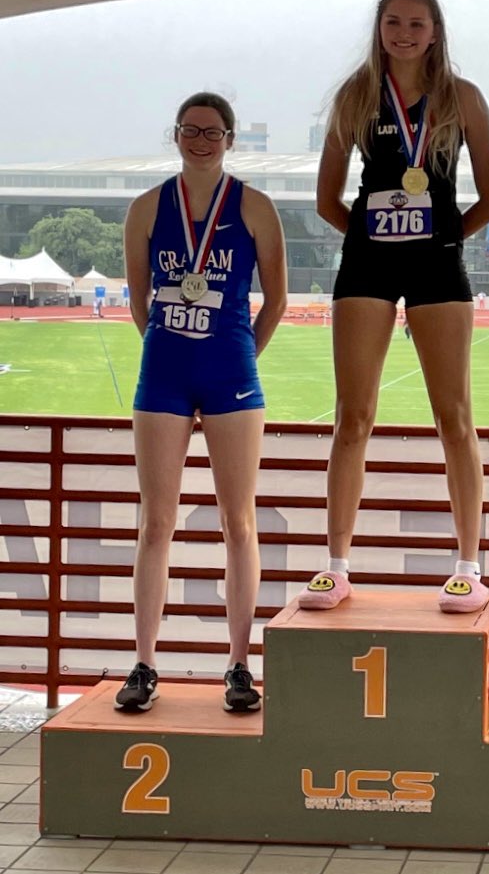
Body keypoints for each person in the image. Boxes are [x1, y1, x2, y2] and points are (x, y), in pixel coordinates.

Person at [299, 0, 489, 614]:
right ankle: (336, 566)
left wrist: (441, 241)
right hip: (367, 266)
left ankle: (467, 566)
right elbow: (327, 199)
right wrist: (373, 240)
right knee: (352, 415)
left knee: (455, 417)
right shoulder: (355, 95)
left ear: (435, 31)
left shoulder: (462, 98)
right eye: (393, 21)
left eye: (417, 23)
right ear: (379, 28)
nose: (405, 33)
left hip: (439, 269)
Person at [115, 92, 287, 713]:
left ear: (231, 139)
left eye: (213, 132)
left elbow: (278, 302)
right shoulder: (144, 209)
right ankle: (144, 663)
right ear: (177, 135)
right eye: (190, 130)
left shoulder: (257, 208)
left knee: (238, 522)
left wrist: (238, 355)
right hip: (162, 374)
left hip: (232, 378)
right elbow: (141, 301)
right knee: (155, 522)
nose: (201, 140)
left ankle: (240, 665)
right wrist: (173, 343)